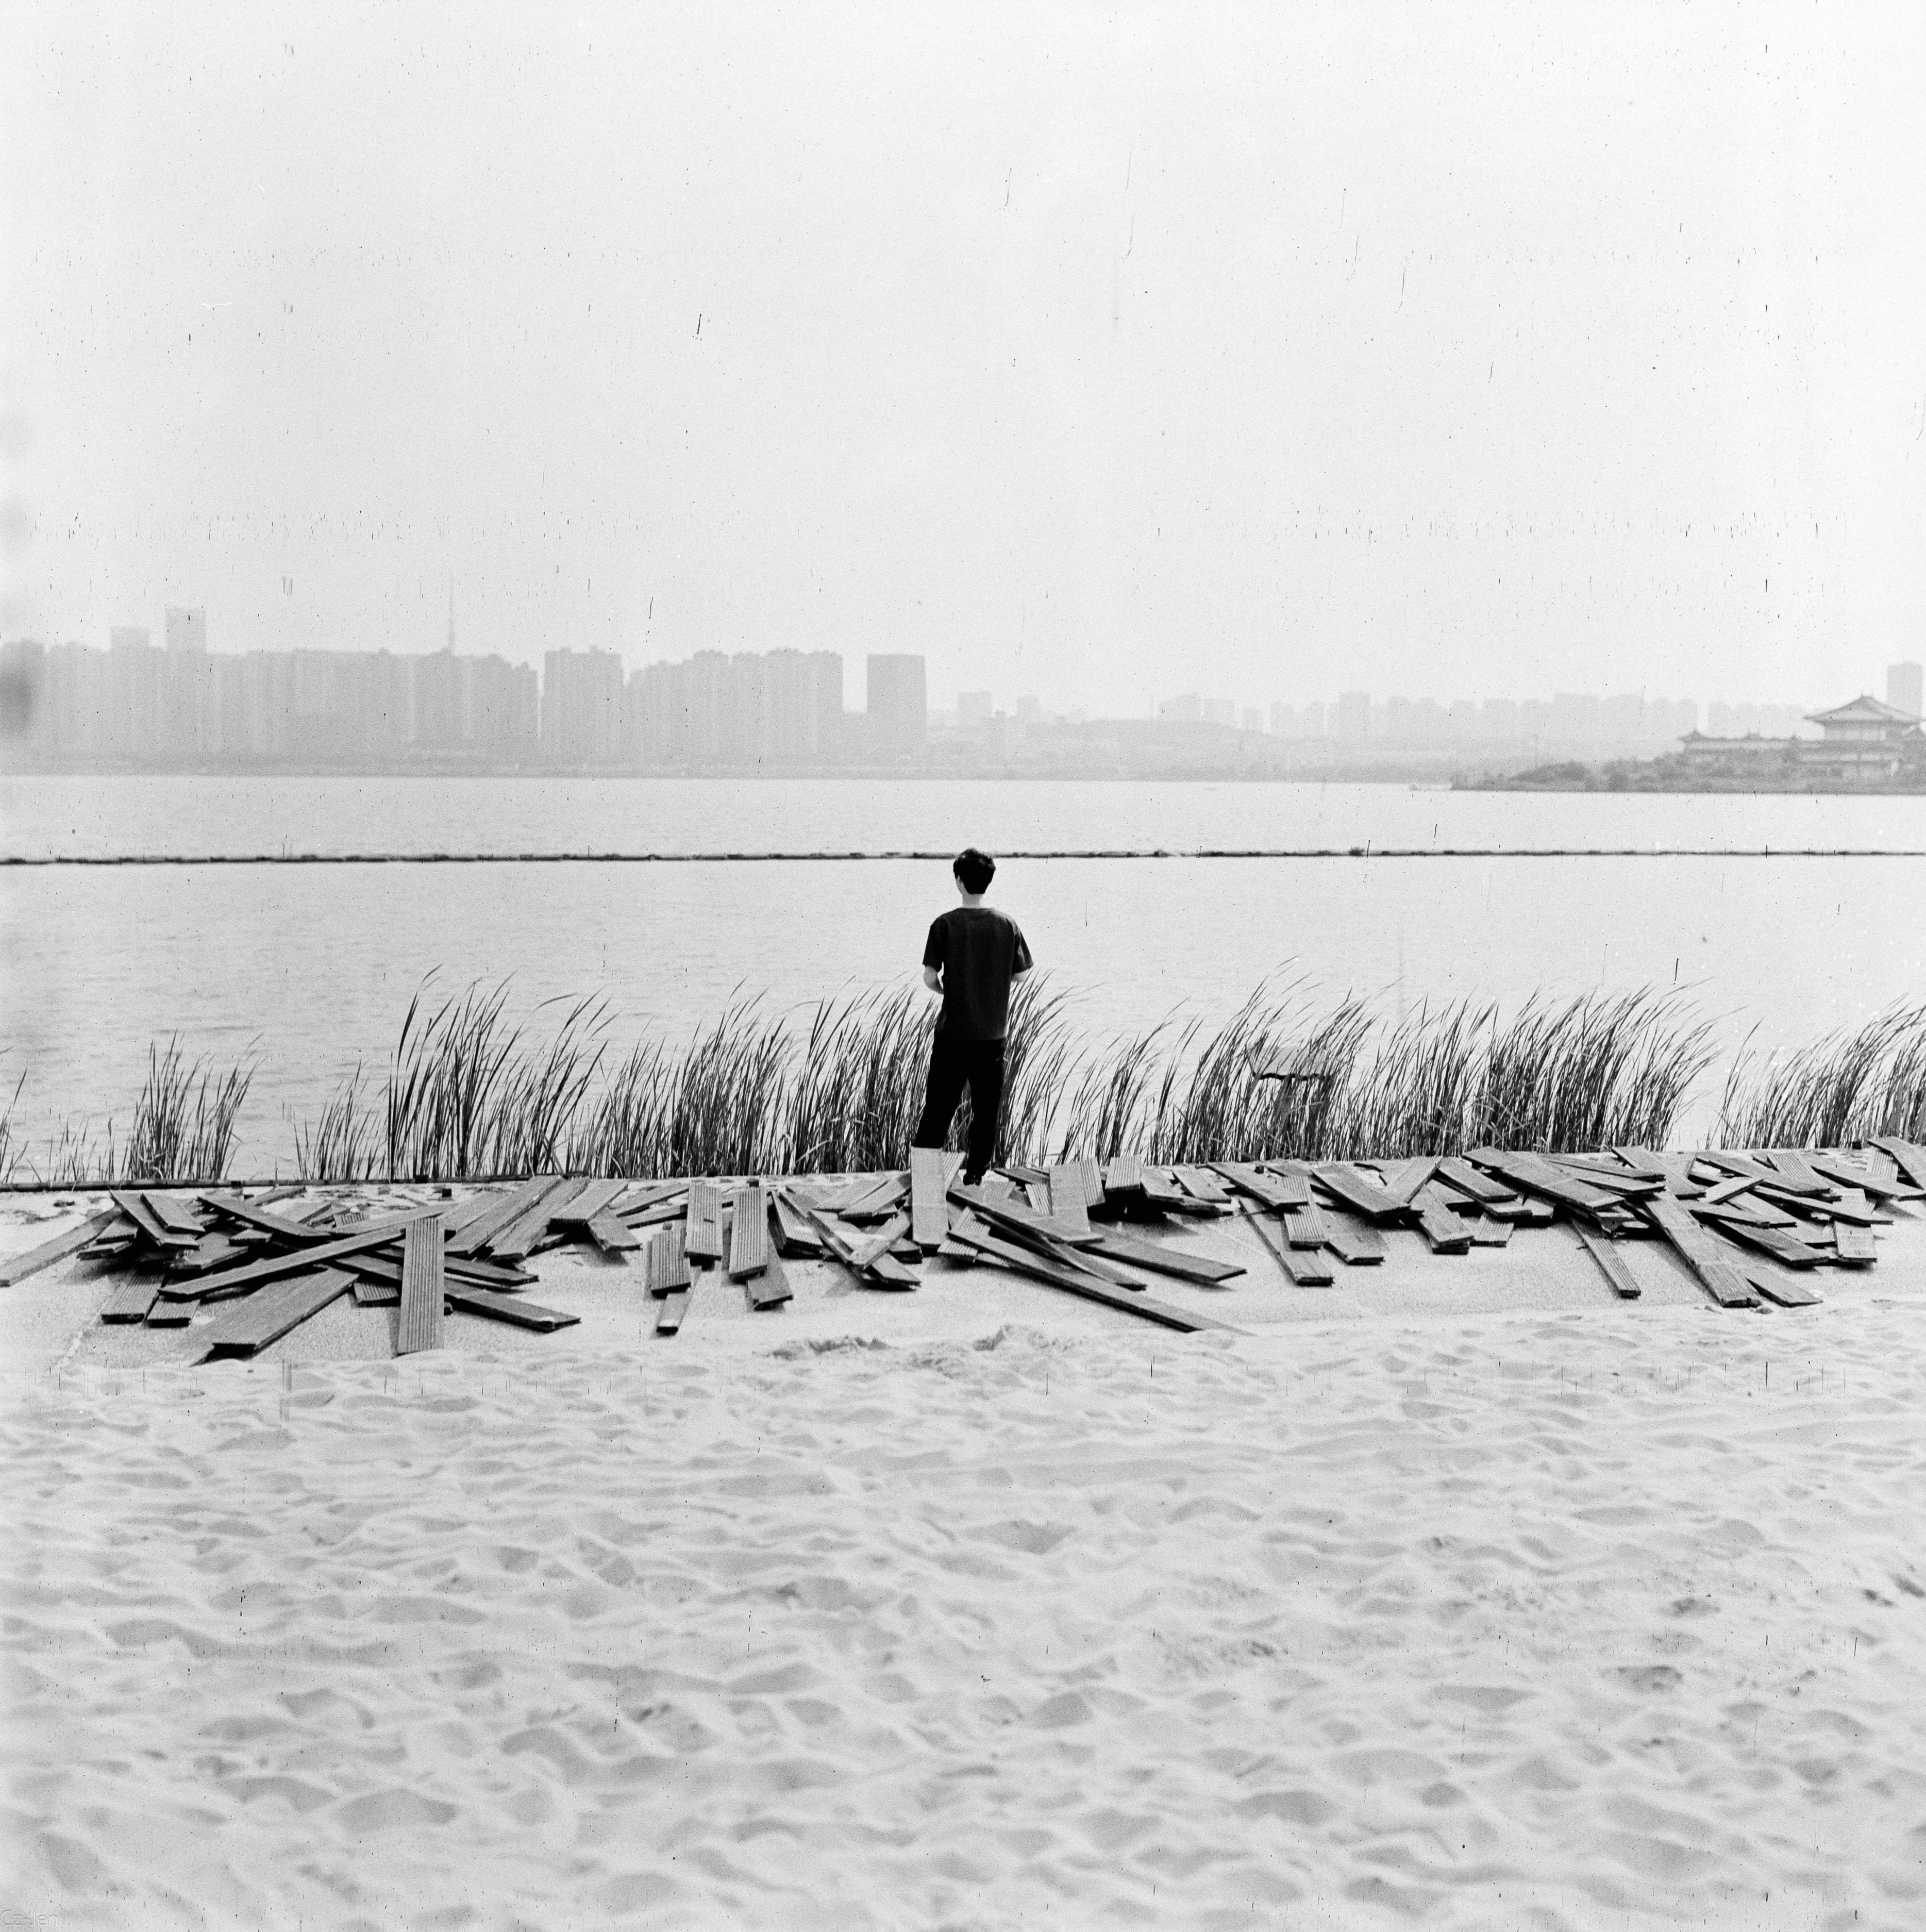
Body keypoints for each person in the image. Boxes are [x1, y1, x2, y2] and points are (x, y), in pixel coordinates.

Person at [912, 846, 1033, 1184]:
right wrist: (993, 982)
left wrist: (950, 991)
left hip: (952, 1034)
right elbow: (1023, 975)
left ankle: (923, 1178)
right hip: (991, 1036)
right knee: (985, 1111)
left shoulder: (944, 924)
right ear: (988, 882)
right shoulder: (1006, 924)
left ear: (959, 881)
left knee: (937, 1109)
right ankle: (975, 1177)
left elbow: (928, 978)